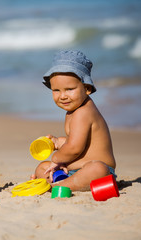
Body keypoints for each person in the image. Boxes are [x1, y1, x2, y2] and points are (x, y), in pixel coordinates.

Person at [30, 50, 116, 191]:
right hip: (73, 171)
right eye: (56, 90)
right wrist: (58, 142)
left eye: (69, 89)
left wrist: (57, 159)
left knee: (97, 169)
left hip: (98, 172)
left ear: (87, 88)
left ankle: (56, 187)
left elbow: (75, 148)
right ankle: (63, 183)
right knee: (42, 168)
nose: (63, 96)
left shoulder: (83, 112)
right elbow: (77, 142)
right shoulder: (73, 110)